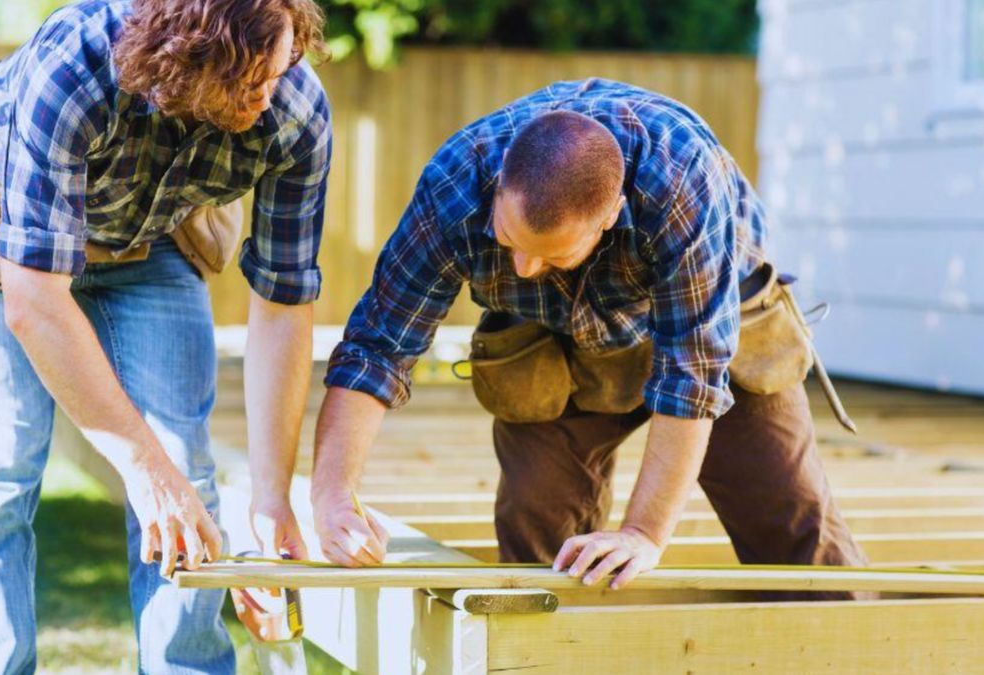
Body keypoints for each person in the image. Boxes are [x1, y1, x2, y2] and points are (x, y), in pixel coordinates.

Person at [310, 79, 870, 599]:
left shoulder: (679, 179)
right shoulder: (455, 187)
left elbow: (692, 377)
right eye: (508, 238)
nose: (524, 267)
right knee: (538, 532)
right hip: (550, 337)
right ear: (501, 180)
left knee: (792, 524)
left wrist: (644, 534)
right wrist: (333, 494)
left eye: (552, 253)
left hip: (719, 327)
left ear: (610, 217)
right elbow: (377, 348)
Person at [0, 0, 330, 671]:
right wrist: (143, 471)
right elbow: (35, 301)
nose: (268, 99)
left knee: (187, 470)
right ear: (187, 60)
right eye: (248, 85)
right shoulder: (79, 64)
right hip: (5, 239)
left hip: (147, 243)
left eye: (279, 72)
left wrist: (271, 500)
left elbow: (283, 302)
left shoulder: (294, 111)